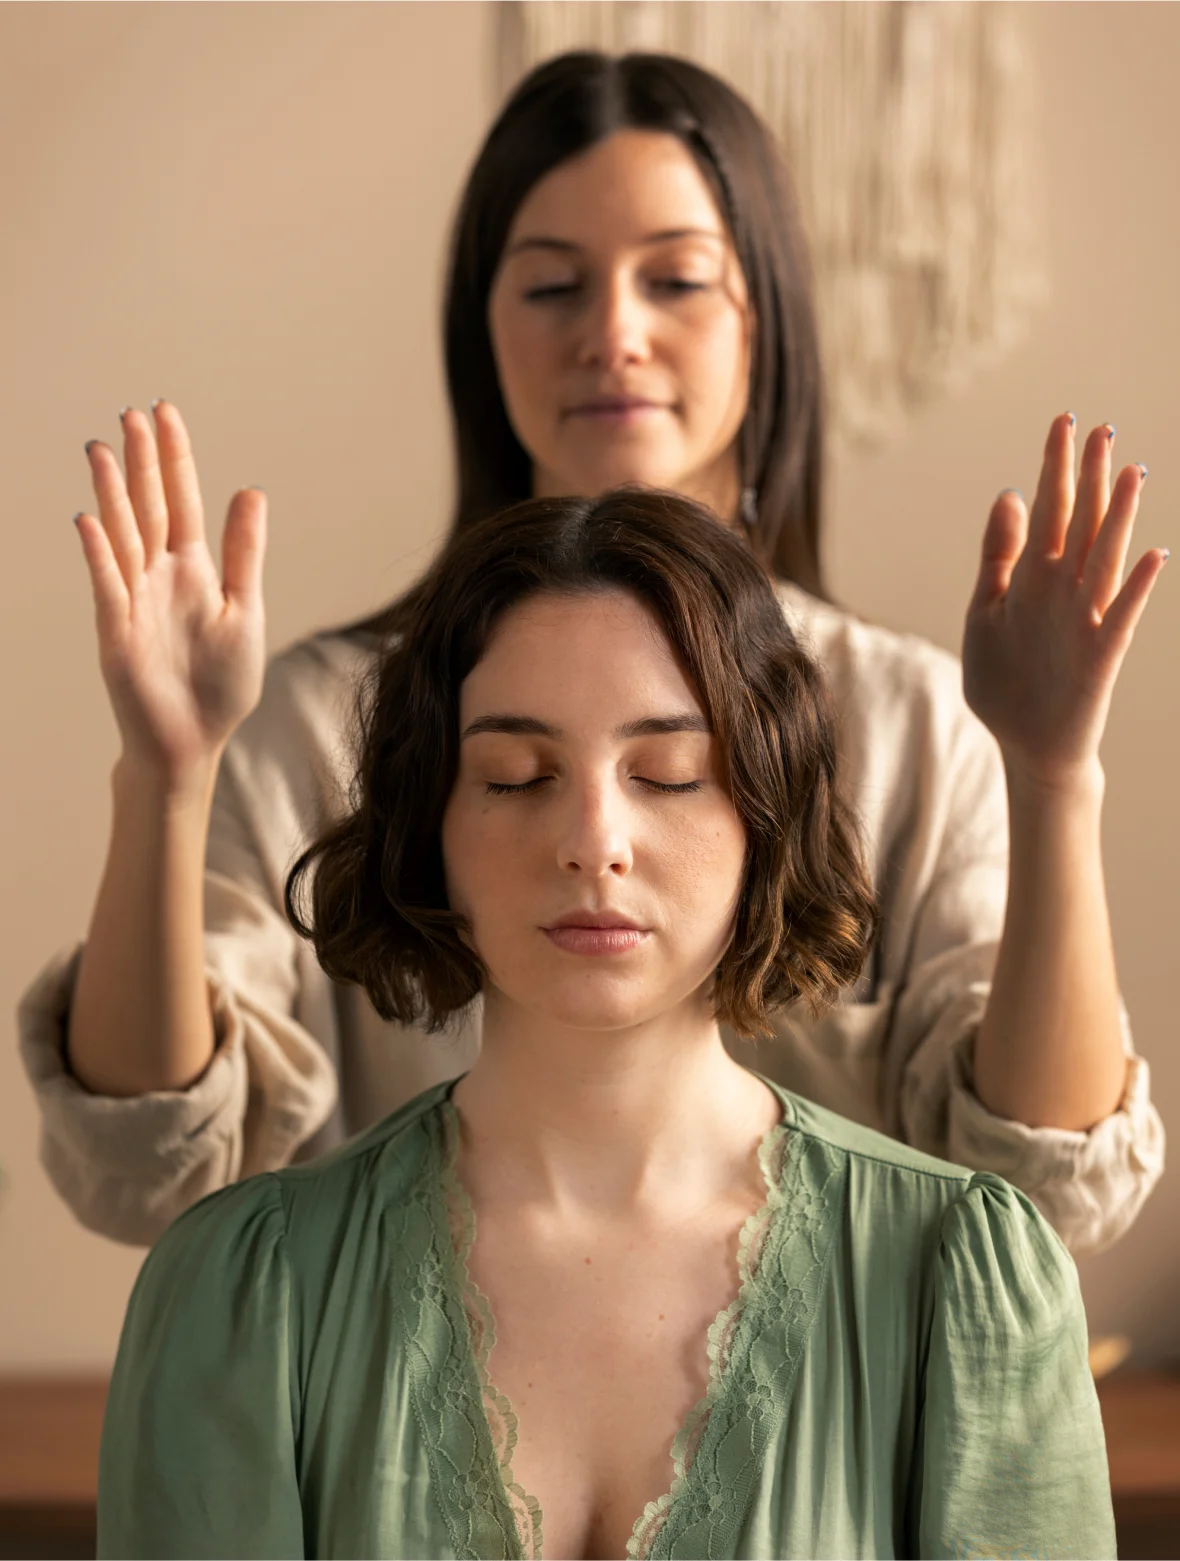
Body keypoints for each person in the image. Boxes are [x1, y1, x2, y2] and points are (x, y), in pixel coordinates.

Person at [19, 51, 1164, 1252]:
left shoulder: (915, 726)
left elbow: (1042, 1194)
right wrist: (163, 776)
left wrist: (1052, 779)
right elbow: (147, 1175)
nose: (614, 334)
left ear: (765, 321)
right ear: (480, 330)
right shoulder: (315, 724)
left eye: (676, 279)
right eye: (554, 286)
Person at [96, 490, 1116, 1561]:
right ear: (430, 824)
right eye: (515, 778)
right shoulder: (250, 1291)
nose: (594, 840)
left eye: (667, 776)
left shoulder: (955, 1273)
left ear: (764, 815)